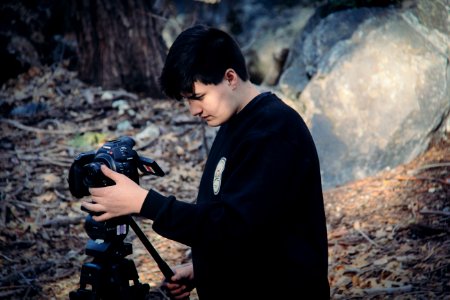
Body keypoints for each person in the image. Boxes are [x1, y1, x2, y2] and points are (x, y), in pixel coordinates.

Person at [82, 24, 330, 299]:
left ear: (230, 78)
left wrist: (145, 203)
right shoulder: (236, 123)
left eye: (198, 97)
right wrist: (204, 269)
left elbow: (233, 227)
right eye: (187, 100)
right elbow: (256, 228)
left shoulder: (273, 131)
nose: (194, 110)